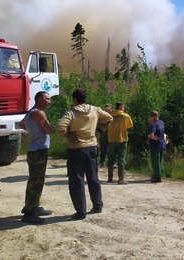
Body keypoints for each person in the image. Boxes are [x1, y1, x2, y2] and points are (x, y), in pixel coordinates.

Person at [57, 88, 113, 220]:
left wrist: (68, 134)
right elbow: (109, 118)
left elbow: (60, 127)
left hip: (76, 149)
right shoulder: (95, 109)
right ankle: (98, 205)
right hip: (92, 147)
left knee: (77, 180)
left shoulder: (71, 113)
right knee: (93, 177)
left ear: (75, 99)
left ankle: (81, 212)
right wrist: (99, 130)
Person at [19, 91, 53, 224]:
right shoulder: (39, 113)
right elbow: (49, 130)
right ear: (39, 99)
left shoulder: (30, 113)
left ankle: (34, 206)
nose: (49, 101)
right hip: (39, 150)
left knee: (36, 180)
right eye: (47, 99)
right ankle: (29, 213)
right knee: (36, 182)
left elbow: (22, 124)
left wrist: (33, 132)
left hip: (34, 149)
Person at [107, 102, 133, 184]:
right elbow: (130, 126)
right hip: (121, 140)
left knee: (110, 159)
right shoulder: (125, 116)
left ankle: (110, 178)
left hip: (111, 140)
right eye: (123, 107)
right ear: (121, 107)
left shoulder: (110, 115)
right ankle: (121, 179)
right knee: (121, 159)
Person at [148, 110, 167, 183]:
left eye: (151, 117)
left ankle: (157, 176)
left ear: (154, 117)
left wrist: (152, 137)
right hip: (162, 144)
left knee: (155, 161)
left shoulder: (154, 125)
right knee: (160, 160)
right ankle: (158, 174)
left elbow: (152, 135)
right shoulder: (161, 122)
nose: (150, 119)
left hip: (155, 145)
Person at [98, 104, 112, 168]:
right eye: (105, 109)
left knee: (111, 150)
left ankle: (111, 162)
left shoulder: (112, 116)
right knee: (103, 149)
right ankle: (102, 162)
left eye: (108, 109)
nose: (106, 111)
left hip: (111, 135)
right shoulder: (102, 116)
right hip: (103, 135)